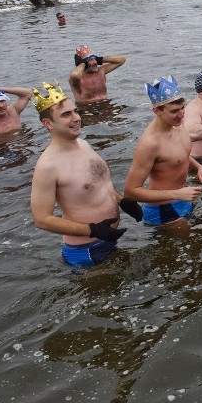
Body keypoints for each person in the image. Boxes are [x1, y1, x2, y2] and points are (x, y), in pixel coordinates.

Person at [29, 82, 143, 267]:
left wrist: (121, 201)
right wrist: (92, 230)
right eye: (66, 115)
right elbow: (41, 219)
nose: (76, 118)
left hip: (108, 238)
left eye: (75, 111)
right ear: (48, 123)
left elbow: (97, 185)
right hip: (85, 251)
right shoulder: (48, 166)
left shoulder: (83, 145)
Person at [124, 76, 202, 228]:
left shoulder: (177, 123)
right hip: (162, 209)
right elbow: (130, 192)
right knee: (184, 247)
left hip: (183, 198)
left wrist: (199, 167)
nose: (181, 114)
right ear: (156, 111)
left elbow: (179, 154)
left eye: (182, 108)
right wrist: (177, 194)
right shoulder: (150, 143)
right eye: (174, 111)